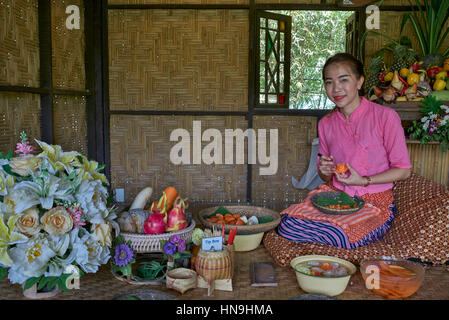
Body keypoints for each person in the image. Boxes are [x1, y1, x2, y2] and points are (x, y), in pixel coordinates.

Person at [277, 53, 412, 249]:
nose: (336, 89)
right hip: (335, 197)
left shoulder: (385, 117)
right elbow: (325, 177)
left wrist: (364, 180)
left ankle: (333, 233)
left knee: (341, 237)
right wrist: (325, 169)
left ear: (359, 82)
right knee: (285, 224)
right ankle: (327, 230)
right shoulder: (326, 123)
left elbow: (404, 170)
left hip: (373, 202)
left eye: (344, 80)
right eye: (329, 82)